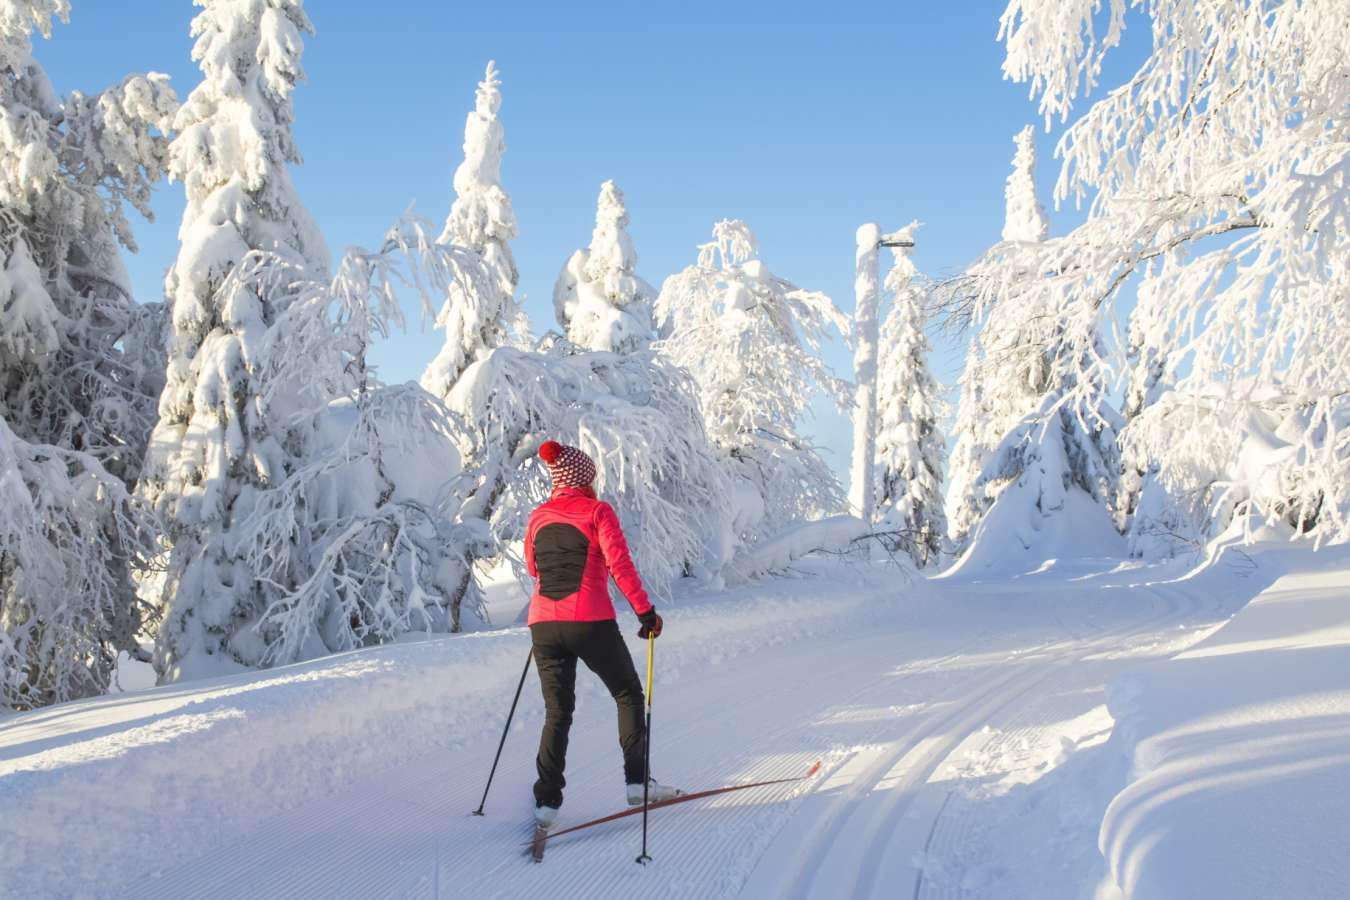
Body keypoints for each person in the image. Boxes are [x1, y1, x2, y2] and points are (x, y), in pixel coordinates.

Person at [524, 440, 682, 828]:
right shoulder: (597, 511)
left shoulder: (538, 517)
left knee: (557, 711)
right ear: (585, 478)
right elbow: (620, 566)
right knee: (627, 693)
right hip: (589, 620)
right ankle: (637, 783)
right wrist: (646, 613)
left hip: (543, 624)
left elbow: (533, 569)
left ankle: (546, 803)